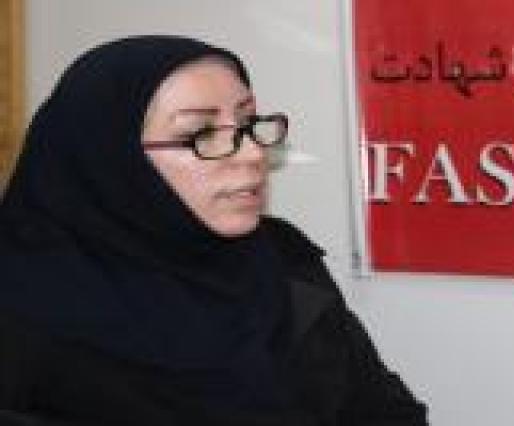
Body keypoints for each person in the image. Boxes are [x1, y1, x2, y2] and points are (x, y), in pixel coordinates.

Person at [0, 35, 428, 426]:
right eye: (200, 133)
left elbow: (386, 413)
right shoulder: (23, 315)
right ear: (109, 162)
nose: (253, 153)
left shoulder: (283, 262)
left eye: (248, 124)